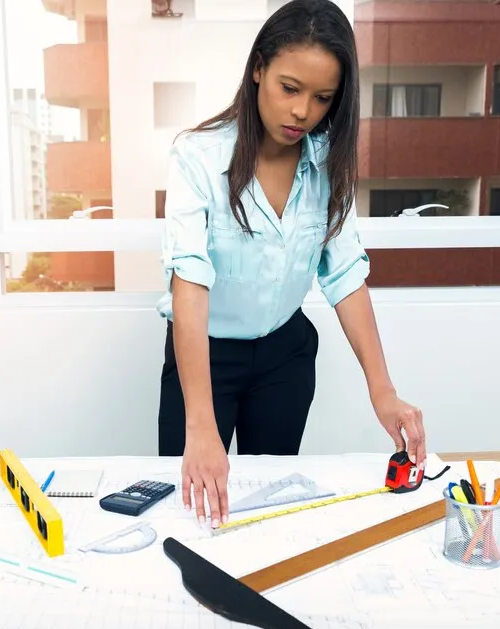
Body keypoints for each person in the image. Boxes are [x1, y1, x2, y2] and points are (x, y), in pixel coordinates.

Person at [155, 0, 427, 529]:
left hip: (285, 357)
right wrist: (202, 426)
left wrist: (383, 391)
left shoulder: (326, 162)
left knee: (268, 508)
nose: (303, 111)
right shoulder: (198, 157)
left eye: (322, 98)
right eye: (289, 88)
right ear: (258, 69)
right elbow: (189, 282)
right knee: (189, 507)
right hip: (205, 355)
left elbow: (345, 275)